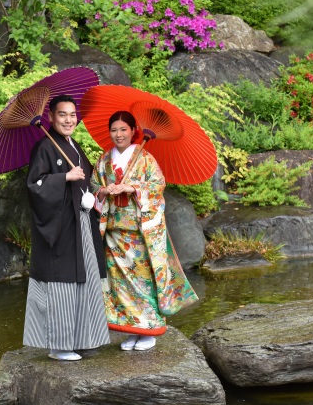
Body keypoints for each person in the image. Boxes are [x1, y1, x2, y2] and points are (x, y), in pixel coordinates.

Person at [92, 111, 198, 351]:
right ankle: (132, 330)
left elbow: (158, 185)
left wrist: (133, 188)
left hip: (138, 233)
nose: (118, 135)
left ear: (133, 131)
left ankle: (148, 330)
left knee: (142, 280)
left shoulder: (146, 159)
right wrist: (104, 191)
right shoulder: (103, 160)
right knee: (119, 284)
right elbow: (94, 185)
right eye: (114, 130)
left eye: (123, 130)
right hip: (113, 233)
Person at [23, 94, 110, 361]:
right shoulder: (45, 147)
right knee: (60, 283)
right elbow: (34, 186)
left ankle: (81, 338)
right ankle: (58, 346)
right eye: (63, 114)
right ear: (51, 117)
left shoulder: (74, 146)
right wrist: (63, 177)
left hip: (81, 222)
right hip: (59, 228)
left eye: (73, 115)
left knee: (84, 278)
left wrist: (95, 195)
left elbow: (84, 184)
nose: (69, 120)